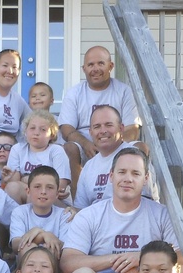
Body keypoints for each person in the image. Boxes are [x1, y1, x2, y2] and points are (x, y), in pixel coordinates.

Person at [60, 147, 179, 273]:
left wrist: (142, 258)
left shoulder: (161, 214)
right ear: (111, 176)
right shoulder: (90, 215)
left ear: (146, 178)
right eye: (122, 172)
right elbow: (67, 264)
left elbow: (180, 255)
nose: (128, 179)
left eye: (135, 173)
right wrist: (119, 260)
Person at [58, 46, 141, 191]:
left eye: (100, 63)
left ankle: (135, 199)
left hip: (116, 143)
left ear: (111, 66)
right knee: (70, 147)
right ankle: (79, 201)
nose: (95, 69)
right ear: (84, 69)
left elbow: (132, 129)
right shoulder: (74, 93)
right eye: (90, 65)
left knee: (139, 147)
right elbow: (66, 128)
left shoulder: (124, 91)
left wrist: (114, 146)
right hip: (86, 146)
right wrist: (86, 144)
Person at [3, 110, 71, 204]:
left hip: (55, 202)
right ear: (25, 131)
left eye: (43, 129)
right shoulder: (17, 149)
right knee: (13, 187)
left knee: (35, 194)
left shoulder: (56, 150)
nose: (36, 133)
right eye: (32, 128)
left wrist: (25, 179)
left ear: (52, 134)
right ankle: (17, 217)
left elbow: (60, 186)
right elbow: (14, 183)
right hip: (29, 194)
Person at [9, 166, 74, 258]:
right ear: (28, 191)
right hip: (26, 266)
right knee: (28, 247)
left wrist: (47, 238)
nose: (43, 192)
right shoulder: (20, 212)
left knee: (51, 246)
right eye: (37, 187)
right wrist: (42, 235)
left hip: (53, 266)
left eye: (50, 187)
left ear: (57, 194)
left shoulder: (64, 215)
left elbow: (67, 248)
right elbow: (15, 245)